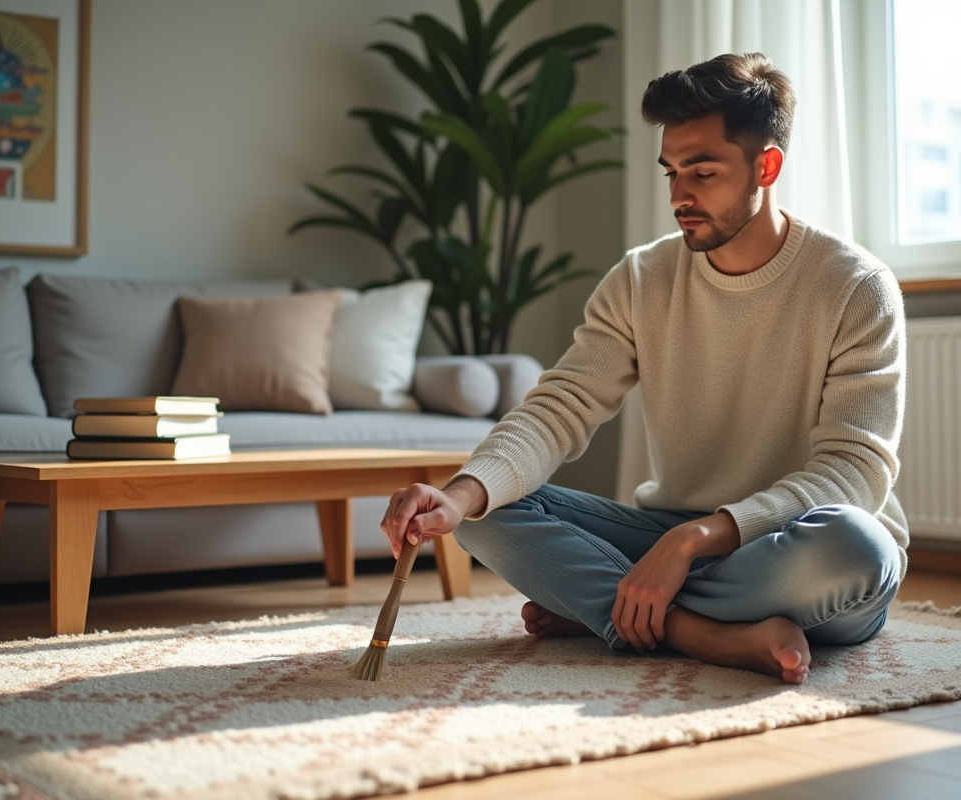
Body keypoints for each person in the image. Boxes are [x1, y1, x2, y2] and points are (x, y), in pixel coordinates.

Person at [380, 53, 907, 685]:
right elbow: (562, 404)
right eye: (671, 172)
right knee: (486, 511)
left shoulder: (856, 287)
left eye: (702, 172)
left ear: (765, 166)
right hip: (672, 533)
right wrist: (459, 495)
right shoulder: (641, 278)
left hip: (789, 548)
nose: (680, 196)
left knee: (859, 548)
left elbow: (854, 472)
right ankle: (703, 632)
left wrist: (693, 542)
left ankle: (610, 606)